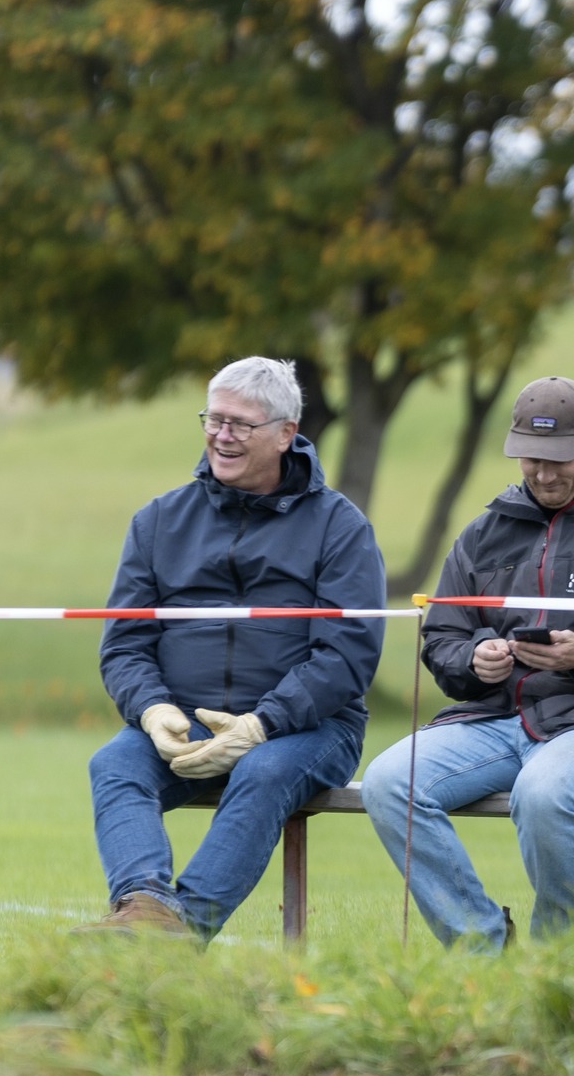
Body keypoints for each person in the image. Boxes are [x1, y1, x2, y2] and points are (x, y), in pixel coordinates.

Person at [360, 377, 574, 950]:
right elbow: (443, 633)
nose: (543, 474)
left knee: (543, 792)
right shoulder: (483, 533)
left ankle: (562, 955)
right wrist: (474, 660)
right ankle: (481, 946)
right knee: (389, 781)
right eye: (529, 459)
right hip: (494, 720)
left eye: (557, 459)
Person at [80, 357, 385, 939]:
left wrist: (263, 724)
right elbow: (124, 643)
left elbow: (348, 654)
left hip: (308, 731)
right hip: (184, 721)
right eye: (214, 419)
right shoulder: (158, 521)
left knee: (264, 773)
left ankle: (179, 931)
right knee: (114, 764)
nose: (222, 435)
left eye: (241, 424)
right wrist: (152, 708)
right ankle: (143, 905)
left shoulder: (340, 527)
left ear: (286, 433)